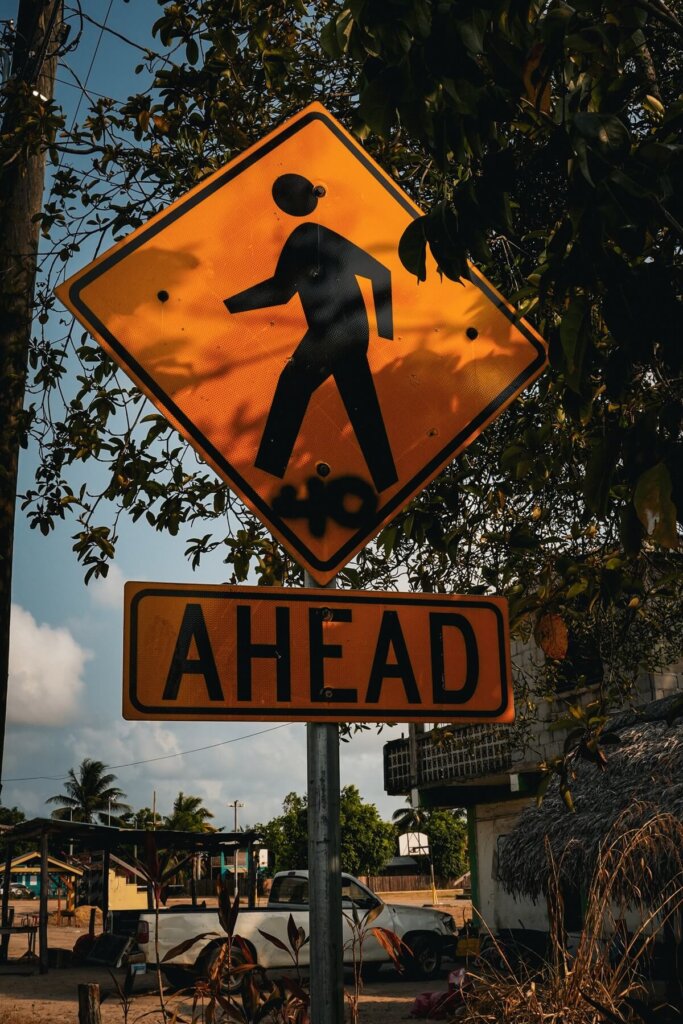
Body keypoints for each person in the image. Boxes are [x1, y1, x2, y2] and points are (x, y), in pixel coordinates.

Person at [225, 173, 398, 493]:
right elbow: (280, 290)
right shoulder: (298, 241)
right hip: (328, 333)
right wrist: (227, 305)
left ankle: (267, 474)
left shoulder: (314, 236)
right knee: (358, 404)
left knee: (297, 385)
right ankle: (387, 479)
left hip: (343, 329)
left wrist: (387, 335)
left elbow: (380, 274)